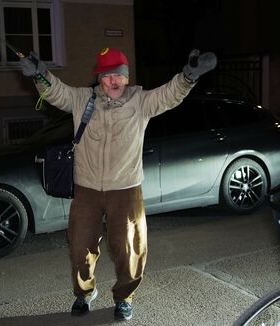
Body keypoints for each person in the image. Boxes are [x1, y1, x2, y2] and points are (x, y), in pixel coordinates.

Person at [20, 47, 216, 321]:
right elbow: (57, 92)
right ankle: (84, 293)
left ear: (127, 78)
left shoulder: (141, 101)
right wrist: (40, 75)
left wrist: (188, 76)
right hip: (87, 189)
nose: (114, 81)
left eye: (120, 76)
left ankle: (124, 297)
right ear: (100, 78)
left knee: (129, 248)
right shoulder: (83, 99)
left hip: (126, 189)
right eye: (108, 75)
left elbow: (169, 95)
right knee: (80, 246)